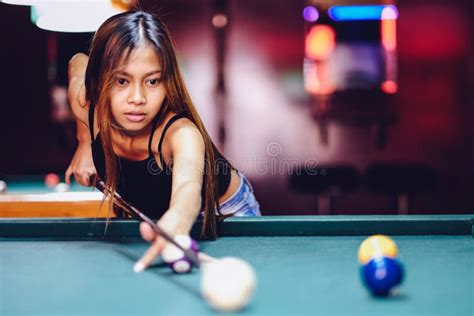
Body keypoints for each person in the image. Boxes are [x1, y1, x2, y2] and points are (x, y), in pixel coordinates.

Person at [65, 10, 260, 272]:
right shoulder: (86, 103)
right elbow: (77, 62)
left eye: (152, 81)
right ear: (100, 81)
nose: (138, 97)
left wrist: (177, 219)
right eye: (122, 80)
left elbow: (187, 191)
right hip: (159, 216)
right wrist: (84, 142)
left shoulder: (181, 135)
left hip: (225, 211)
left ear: (167, 81)